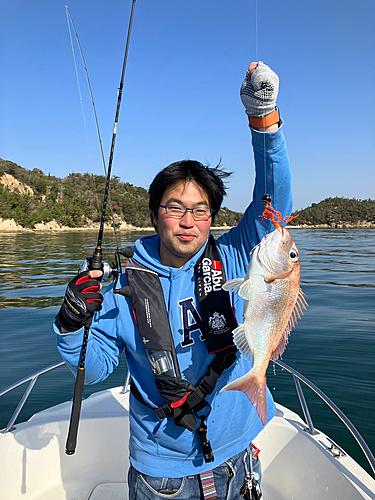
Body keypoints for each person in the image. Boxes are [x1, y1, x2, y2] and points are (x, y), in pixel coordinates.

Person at [55, 61, 293, 499]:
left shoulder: (239, 255)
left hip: (239, 452)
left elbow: (274, 204)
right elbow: (93, 369)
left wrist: (264, 118)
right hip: (160, 472)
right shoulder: (125, 287)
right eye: (174, 207)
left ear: (212, 218)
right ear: (154, 215)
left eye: (200, 209)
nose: (188, 221)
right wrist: (72, 323)